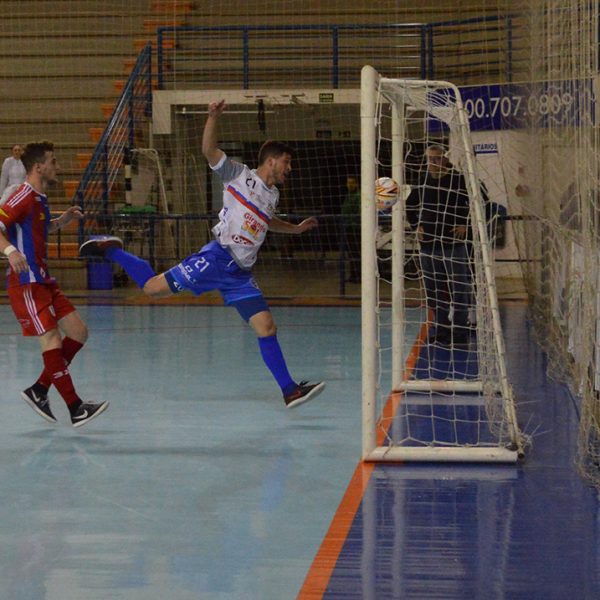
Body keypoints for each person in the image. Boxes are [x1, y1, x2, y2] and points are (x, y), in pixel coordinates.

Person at [79, 99, 326, 408]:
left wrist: (295, 229)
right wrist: (212, 118)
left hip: (240, 275)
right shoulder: (238, 174)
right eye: (287, 162)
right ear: (272, 160)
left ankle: (290, 391)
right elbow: (209, 151)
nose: (290, 168)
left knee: (266, 327)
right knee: (152, 288)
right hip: (216, 259)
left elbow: (266, 221)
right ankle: (111, 250)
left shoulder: (272, 194)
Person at [0, 141, 109, 426]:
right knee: (51, 340)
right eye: (53, 161)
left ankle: (39, 390)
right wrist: (10, 251)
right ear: (39, 167)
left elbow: (39, 227)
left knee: (79, 332)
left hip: (44, 280)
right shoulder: (20, 196)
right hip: (26, 283)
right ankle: (75, 407)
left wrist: (63, 220)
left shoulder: (40, 198)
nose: (57, 166)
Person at [406, 144, 471, 345]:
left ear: (444, 159)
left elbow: (478, 203)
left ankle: (460, 330)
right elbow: (410, 205)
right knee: (434, 290)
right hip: (429, 245)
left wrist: (465, 224)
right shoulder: (422, 181)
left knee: (459, 288)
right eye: (430, 159)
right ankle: (441, 328)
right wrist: (417, 225)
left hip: (453, 244)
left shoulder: (458, 180)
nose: (433, 163)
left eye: (436, 158)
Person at [341, 175, 361, 283]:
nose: (350, 185)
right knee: (351, 253)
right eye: (348, 183)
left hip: (355, 228)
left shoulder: (358, 196)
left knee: (355, 252)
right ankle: (353, 275)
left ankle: (357, 275)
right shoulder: (349, 195)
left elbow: (358, 212)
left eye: (352, 183)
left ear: (356, 184)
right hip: (348, 227)